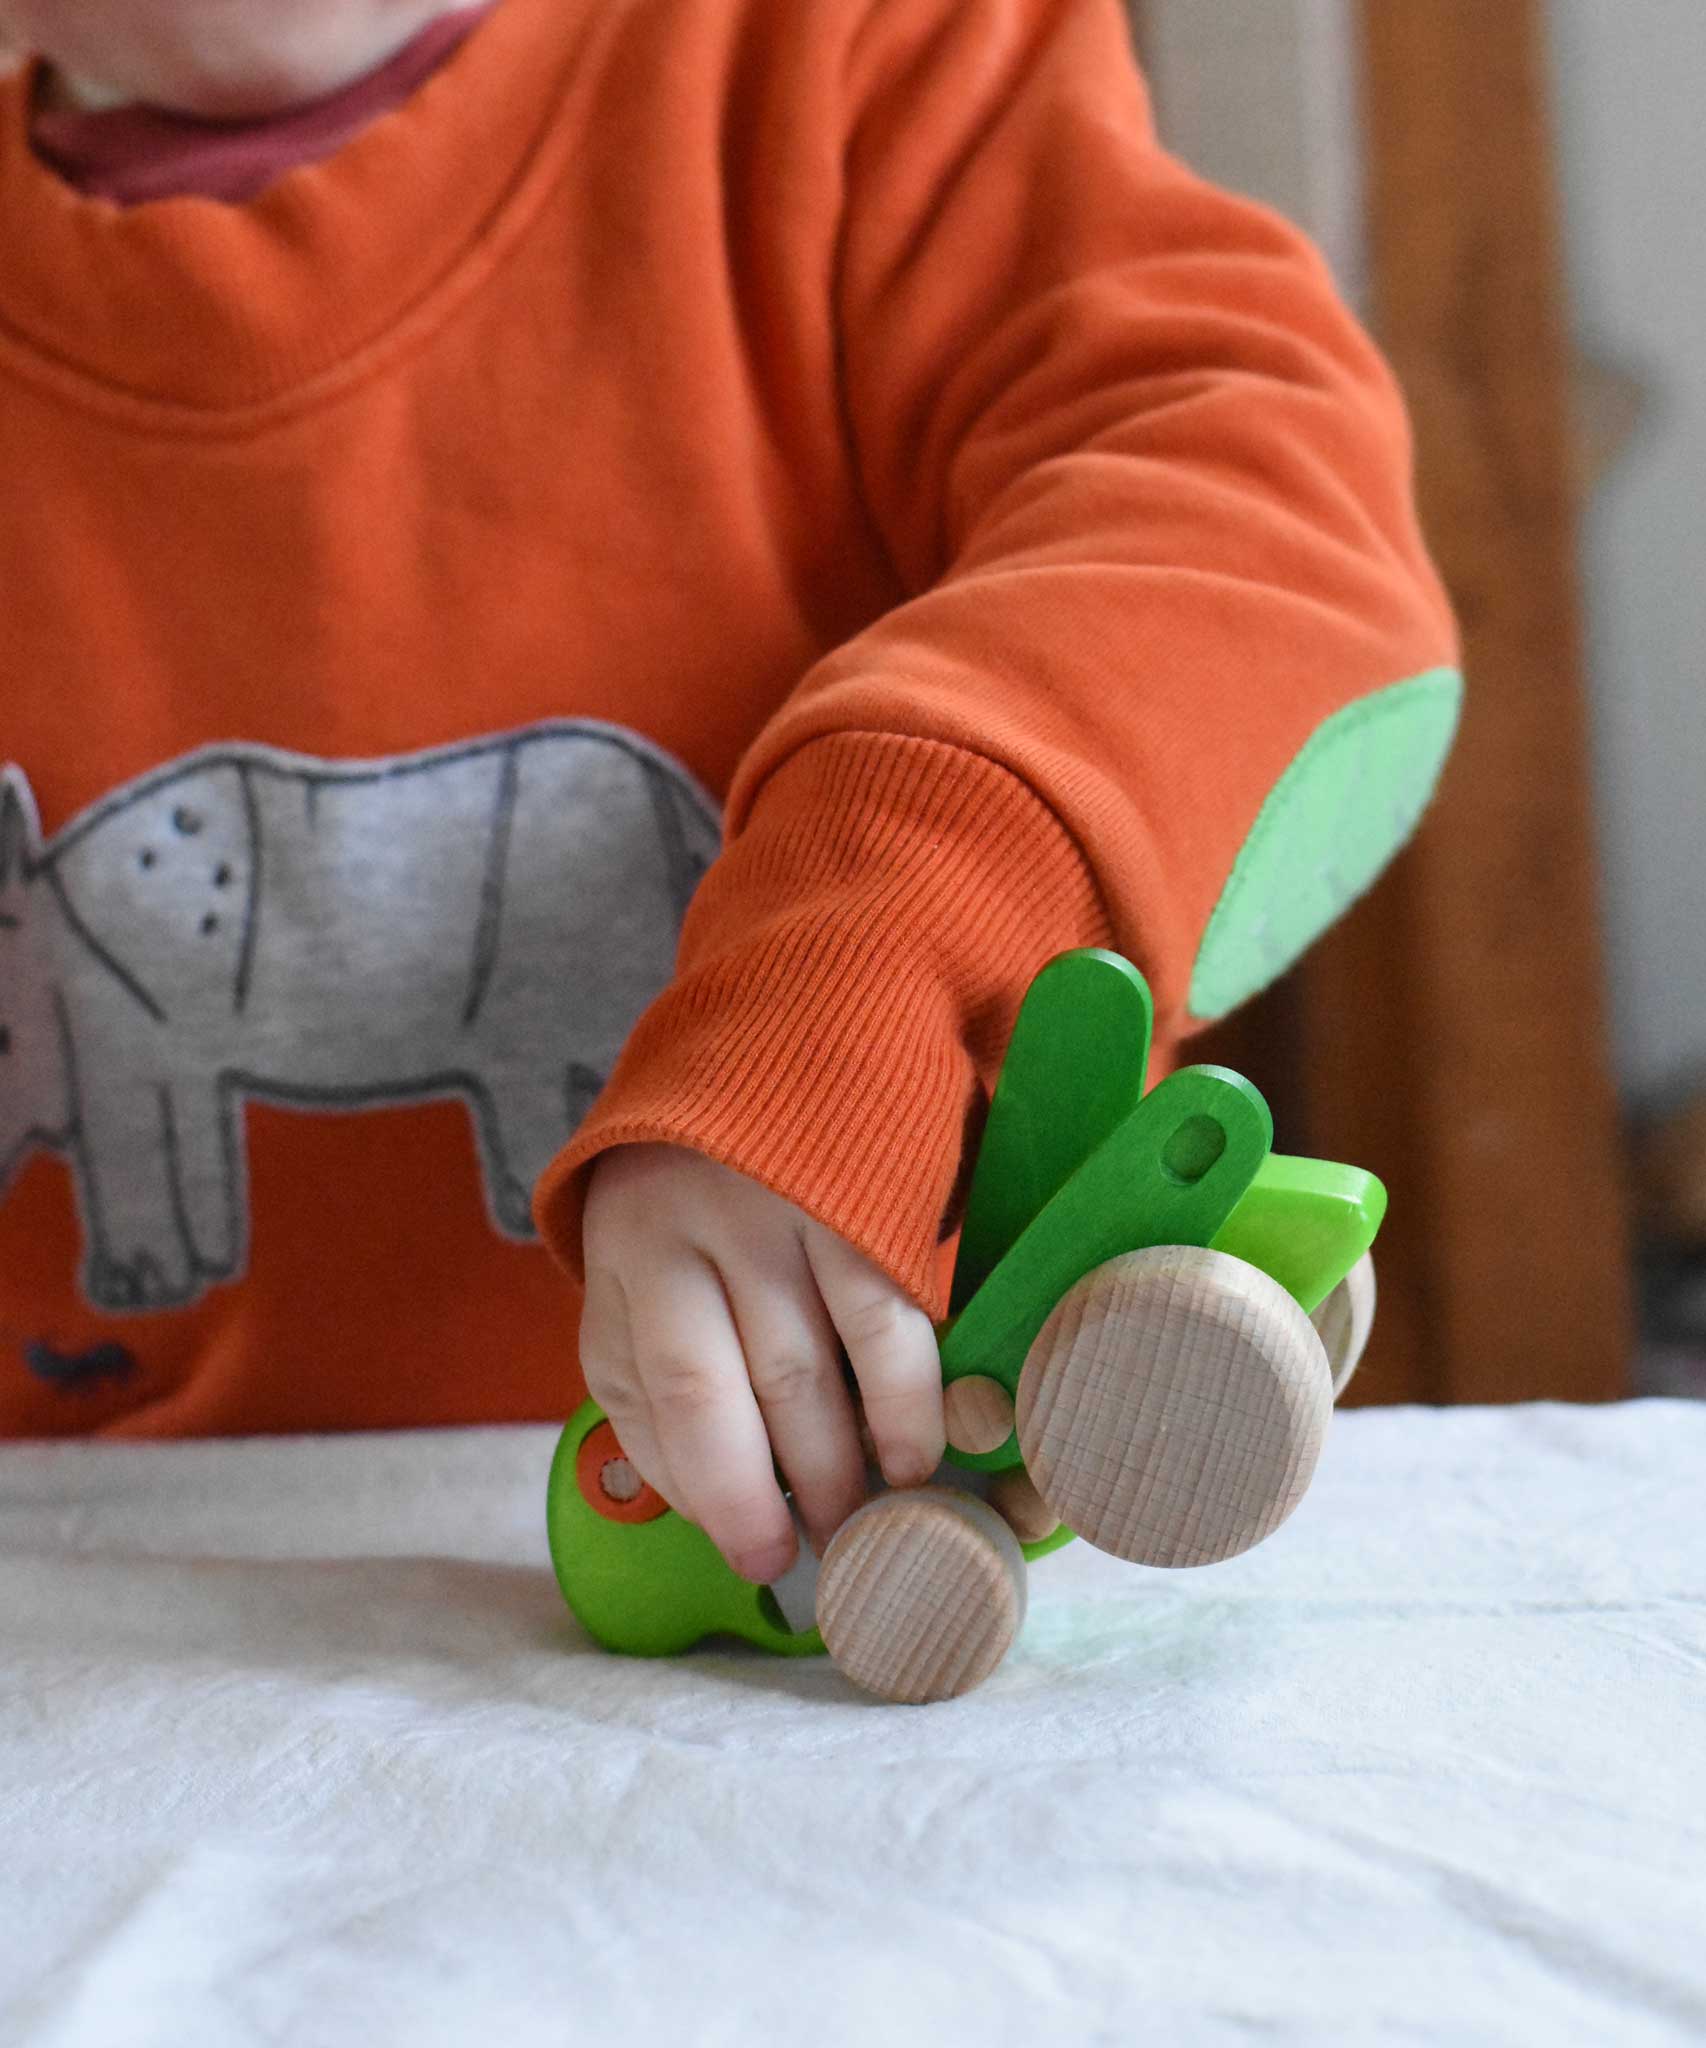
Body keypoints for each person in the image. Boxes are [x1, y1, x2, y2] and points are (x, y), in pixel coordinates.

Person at [0, 0, 1460, 1592]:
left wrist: (874, 968)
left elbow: (1254, 531)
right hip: (95, 1616)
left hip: (830, 1541)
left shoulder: (854, 51)